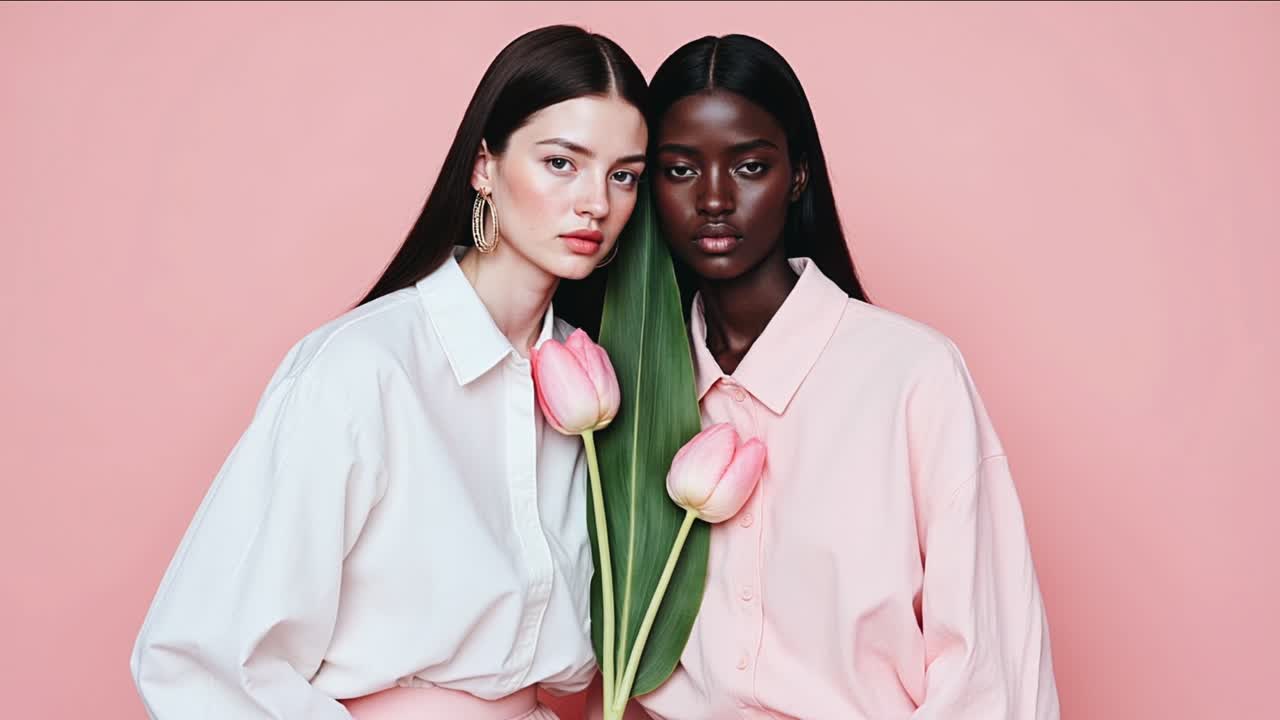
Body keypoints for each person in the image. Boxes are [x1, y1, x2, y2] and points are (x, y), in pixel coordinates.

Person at [131, 24, 649, 720]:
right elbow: (200, 661)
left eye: (623, 176)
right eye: (562, 162)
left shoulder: (590, 385)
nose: (596, 203)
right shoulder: (362, 370)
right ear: (484, 167)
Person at [599, 34, 1059, 719]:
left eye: (751, 166)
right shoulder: (618, 392)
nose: (716, 199)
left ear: (799, 175)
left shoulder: (912, 376)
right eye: (679, 170)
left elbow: (990, 665)